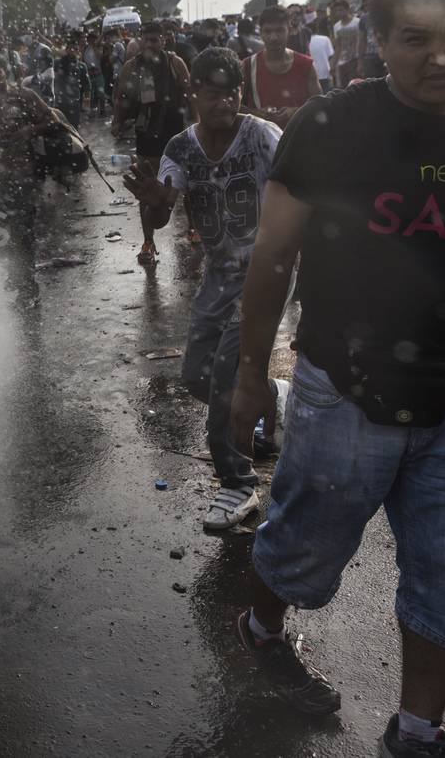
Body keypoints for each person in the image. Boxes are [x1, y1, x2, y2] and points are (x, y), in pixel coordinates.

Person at [227, 0, 445, 753]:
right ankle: (261, 629)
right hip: (345, 389)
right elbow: (272, 256)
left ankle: (417, 728)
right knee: (304, 551)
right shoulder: (331, 125)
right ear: (377, 40)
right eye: (413, 37)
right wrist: (247, 378)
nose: (439, 55)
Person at [123, 47, 287, 531]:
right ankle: (274, 397)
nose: (225, 103)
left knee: (221, 383)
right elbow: (161, 211)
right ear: (194, 93)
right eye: (214, 94)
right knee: (195, 376)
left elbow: (300, 198)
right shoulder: (182, 148)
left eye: (233, 93)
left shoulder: (262, 139)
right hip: (219, 275)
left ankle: (237, 485)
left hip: (264, 273)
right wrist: (154, 205)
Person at [113, 23, 194, 265]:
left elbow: (190, 94)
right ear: (140, 41)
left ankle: (194, 228)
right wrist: (117, 121)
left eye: (155, 40)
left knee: (188, 184)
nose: (150, 45)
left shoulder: (174, 63)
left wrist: (199, 125)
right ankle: (148, 241)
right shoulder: (132, 66)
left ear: (163, 40)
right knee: (146, 188)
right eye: (146, 40)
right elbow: (122, 97)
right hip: (147, 134)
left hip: (175, 131)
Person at [0, 53, 53, 294]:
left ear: (5, 72)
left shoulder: (24, 96)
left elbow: (51, 121)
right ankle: (11, 269)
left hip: (24, 176)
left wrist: (28, 130)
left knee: (22, 229)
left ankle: (26, 278)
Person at [241, 6, 321, 126]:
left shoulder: (306, 65)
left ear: (289, 30)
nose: (274, 37)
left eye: (280, 31)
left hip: (298, 138)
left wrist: (295, 111)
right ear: (260, 32)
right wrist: (257, 114)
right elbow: (235, 106)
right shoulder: (247, 66)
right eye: (268, 31)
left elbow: (319, 105)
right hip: (261, 141)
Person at [330, 0, 362, 88]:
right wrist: (333, 64)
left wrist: (360, 61)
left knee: (356, 86)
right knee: (344, 88)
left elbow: (362, 41)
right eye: (336, 11)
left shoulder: (357, 22)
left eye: (341, 10)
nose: (338, 13)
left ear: (347, 9)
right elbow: (338, 46)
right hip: (342, 62)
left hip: (355, 59)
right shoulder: (336, 26)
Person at [306, 25, 336, 92]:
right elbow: (331, 56)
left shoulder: (305, 42)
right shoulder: (325, 39)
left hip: (312, 75)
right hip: (326, 73)